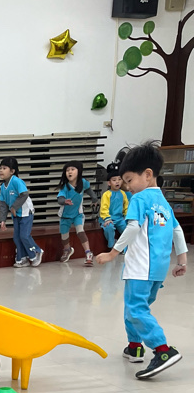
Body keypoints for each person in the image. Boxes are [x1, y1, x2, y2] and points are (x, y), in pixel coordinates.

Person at [96, 142, 186, 379]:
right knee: (134, 307)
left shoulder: (139, 198)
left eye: (129, 180)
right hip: (158, 268)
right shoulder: (163, 201)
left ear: (147, 175)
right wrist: (182, 260)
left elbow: (133, 227)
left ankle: (163, 350)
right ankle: (135, 346)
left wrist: (112, 253)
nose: (128, 186)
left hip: (140, 267)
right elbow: (177, 231)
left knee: (135, 308)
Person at [0, 156, 43, 268]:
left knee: (24, 236)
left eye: (4, 168)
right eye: (0, 168)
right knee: (17, 237)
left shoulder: (17, 181)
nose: (1, 170)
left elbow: (24, 194)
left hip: (26, 213)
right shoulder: (2, 187)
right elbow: (3, 204)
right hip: (16, 215)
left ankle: (36, 252)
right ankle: (22, 258)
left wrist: (14, 207)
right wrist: (3, 220)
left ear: (12, 171)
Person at [57, 161, 99, 265]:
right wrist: (64, 201)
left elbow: (89, 190)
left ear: (79, 171)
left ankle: (88, 253)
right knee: (64, 236)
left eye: (72, 169)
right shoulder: (65, 186)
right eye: (67, 170)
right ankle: (67, 250)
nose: (69, 172)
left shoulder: (83, 182)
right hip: (65, 215)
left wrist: (94, 199)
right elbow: (60, 199)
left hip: (78, 214)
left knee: (80, 231)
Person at [100, 168, 129, 250]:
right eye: (114, 180)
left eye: (119, 179)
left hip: (120, 218)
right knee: (109, 227)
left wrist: (127, 216)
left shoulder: (123, 193)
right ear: (109, 183)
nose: (117, 182)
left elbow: (126, 206)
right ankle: (112, 245)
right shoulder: (106, 194)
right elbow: (104, 208)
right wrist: (107, 218)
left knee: (126, 228)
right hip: (107, 218)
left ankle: (125, 247)